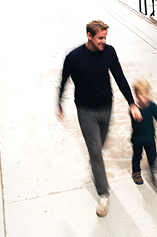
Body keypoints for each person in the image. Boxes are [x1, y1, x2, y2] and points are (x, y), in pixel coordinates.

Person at [58, 20, 142, 217]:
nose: (103, 42)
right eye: (100, 38)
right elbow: (64, 80)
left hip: (106, 107)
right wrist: (59, 102)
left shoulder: (109, 52)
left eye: (105, 38)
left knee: (100, 146)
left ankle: (96, 169)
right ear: (89, 36)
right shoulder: (74, 57)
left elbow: (120, 77)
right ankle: (104, 194)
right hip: (85, 110)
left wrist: (131, 103)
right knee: (95, 151)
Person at [130, 79, 157, 190]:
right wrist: (136, 116)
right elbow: (135, 126)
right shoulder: (134, 109)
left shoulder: (152, 106)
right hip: (138, 139)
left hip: (150, 138)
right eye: (142, 94)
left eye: (147, 93)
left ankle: (153, 174)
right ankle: (136, 172)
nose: (145, 96)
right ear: (137, 96)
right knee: (137, 156)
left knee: (153, 157)